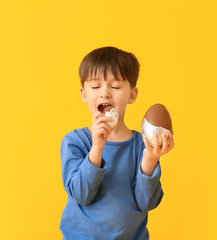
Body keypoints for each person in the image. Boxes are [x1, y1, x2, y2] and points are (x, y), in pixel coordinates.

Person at [59, 46, 174, 239]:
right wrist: (97, 148)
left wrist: (150, 159)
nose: (105, 93)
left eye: (115, 87)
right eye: (95, 86)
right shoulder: (75, 141)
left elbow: (146, 202)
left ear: (132, 95)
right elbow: (80, 194)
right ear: (84, 94)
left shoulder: (141, 145)